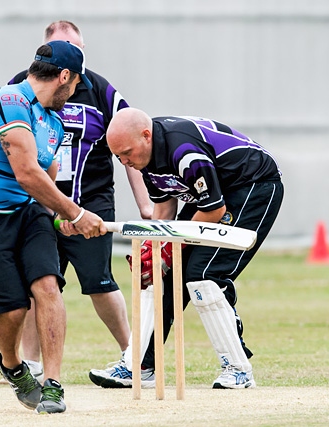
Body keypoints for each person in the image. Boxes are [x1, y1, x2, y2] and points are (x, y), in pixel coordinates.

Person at [0, 40, 106, 414]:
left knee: (48, 286)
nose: (74, 94)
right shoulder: (11, 99)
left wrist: (58, 216)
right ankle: (13, 365)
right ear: (64, 77)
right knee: (13, 311)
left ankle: (53, 384)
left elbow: (46, 181)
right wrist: (77, 215)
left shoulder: (54, 121)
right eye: (76, 85)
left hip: (27, 212)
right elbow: (26, 172)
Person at [0, 21, 152, 385]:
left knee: (99, 282)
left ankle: (136, 359)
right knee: (41, 281)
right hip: (40, 201)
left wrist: (145, 203)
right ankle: (31, 365)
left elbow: (131, 145)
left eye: (76, 47)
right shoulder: (20, 88)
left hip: (91, 202)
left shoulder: (101, 90)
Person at [90, 108, 284, 389]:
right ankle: (140, 365)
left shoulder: (184, 152)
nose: (124, 161)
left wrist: (168, 246)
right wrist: (154, 248)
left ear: (146, 136)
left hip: (252, 186)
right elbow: (165, 207)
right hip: (214, 195)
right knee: (159, 274)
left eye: (127, 153)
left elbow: (214, 210)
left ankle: (238, 369)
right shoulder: (145, 159)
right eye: (118, 156)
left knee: (204, 275)